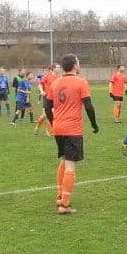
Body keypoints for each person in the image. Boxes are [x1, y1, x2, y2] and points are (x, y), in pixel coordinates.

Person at [45, 53, 99, 214]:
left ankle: (60, 195)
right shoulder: (81, 82)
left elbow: (47, 107)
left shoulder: (56, 83)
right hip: (72, 129)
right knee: (70, 165)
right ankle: (64, 205)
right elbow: (88, 106)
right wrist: (94, 125)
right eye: (79, 62)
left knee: (63, 160)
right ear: (75, 65)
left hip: (58, 129)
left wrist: (54, 123)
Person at [34, 64, 60, 134]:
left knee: (52, 114)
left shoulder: (59, 78)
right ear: (53, 69)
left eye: (59, 67)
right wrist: (42, 91)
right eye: (58, 67)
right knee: (45, 115)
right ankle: (38, 127)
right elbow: (40, 84)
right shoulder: (48, 76)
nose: (59, 68)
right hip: (47, 97)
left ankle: (49, 131)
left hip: (55, 99)